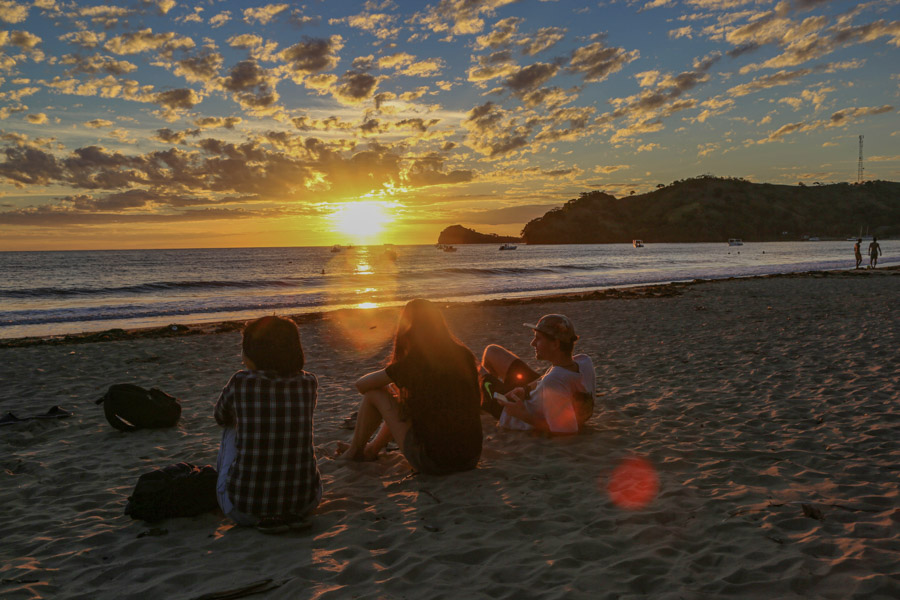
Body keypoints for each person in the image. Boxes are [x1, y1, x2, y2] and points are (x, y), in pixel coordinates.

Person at [338, 299, 482, 475]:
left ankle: (354, 452)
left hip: (435, 462)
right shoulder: (463, 354)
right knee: (399, 400)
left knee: (375, 393)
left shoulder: (414, 363)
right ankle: (371, 450)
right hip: (471, 457)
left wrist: (389, 378)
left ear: (408, 328)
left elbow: (362, 385)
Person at [214, 316, 322, 534]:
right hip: (306, 503)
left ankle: (252, 493)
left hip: (244, 508)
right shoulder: (308, 382)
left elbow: (219, 417)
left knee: (230, 427)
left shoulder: (241, 381)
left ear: (253, 353)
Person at [480, 314, 595, 434]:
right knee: (491, 350)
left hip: (510, 411)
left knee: (474, 367)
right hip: (536, 395)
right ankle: (487, 397)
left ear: (555, 344)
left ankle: (488, 403)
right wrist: (525, 389)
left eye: (538, 339)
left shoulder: (553, 382)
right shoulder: (584, 361)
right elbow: (555, 379)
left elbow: (564, 430)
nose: (532, 343)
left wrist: (521, 414)